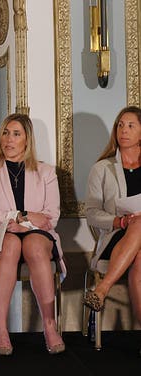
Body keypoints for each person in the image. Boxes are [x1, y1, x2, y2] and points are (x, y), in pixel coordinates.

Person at [0, 113, 65, 355]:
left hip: (36, 235)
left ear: (27, 140)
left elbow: (50, 217)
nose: (9, 139)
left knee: (33, 245)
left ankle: (49, 324)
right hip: (1, 235)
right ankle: (0, 327)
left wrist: (24, 223)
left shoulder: (46, 172)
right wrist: (23, 215)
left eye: (16, 134)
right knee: (11, 244)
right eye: (5, 133)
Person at [83, 106, 141, 331]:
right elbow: (92, 213)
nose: (123, 130)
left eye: (130, 125)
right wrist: (121, 222)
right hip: (116, 238)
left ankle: (101, 290)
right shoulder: (102, 169)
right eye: (120, 125)